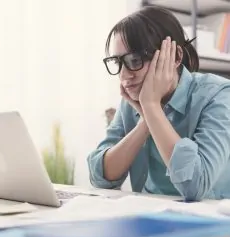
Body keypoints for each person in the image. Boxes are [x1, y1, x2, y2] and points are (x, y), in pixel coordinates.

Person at [87, 6, 230, 201]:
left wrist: (152, 107)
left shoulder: (219, 95)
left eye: (135, 60)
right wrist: (146, 120)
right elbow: (101, 177)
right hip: (149, 218)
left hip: (212, 225)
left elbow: (195, 186)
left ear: (176, 57)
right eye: (117, 62)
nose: (124, 75)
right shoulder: (135, 100)